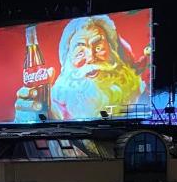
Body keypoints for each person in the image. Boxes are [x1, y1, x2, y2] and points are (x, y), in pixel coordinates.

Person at [15, 14, 149, 122]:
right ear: (67, 62)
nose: (91, 57)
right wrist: (29, 118)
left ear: (113, 51)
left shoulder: (136, 89)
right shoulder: (56, 101)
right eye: (80, 52)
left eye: (98, 47)